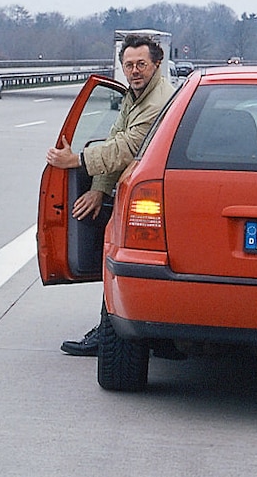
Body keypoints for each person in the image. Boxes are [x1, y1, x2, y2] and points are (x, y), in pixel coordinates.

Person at [45, 33, 175, 356]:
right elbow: (116, 135)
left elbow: (128, 147)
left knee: (113, 255)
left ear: (157, 64)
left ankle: (112, 332)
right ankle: (118, 330)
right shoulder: (136, 95)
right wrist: (100, 188)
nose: (134, 71)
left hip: (152, 197)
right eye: (129, 65)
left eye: (141, 64)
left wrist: (76, 160)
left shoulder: (157, 101)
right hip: (137, 190)